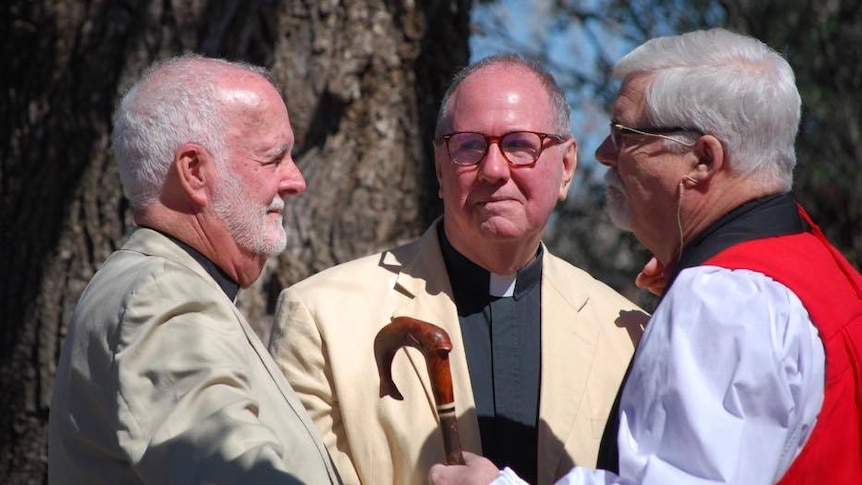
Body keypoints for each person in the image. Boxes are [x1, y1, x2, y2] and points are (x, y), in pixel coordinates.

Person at [428, 28, 862, 485]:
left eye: (625, 135)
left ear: (702, 160)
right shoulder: (823, 271)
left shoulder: (722, 300)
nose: (604, 153)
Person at [267, 53, 648, 485]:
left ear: (565, 167)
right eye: (468, 145)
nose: (493, 169)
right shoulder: (323, 317)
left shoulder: (629, 337)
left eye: (521, 144)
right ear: (438, 166)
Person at [48, 55, 342, 485]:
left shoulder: (168, 286)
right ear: (194, 172)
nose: (296, 180)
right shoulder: (160, 297)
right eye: (273, 158)